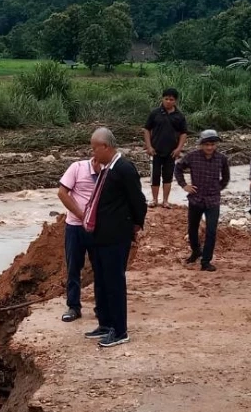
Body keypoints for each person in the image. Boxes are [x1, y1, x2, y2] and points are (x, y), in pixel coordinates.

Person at [83, 127, 147, 348]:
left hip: (116, 235)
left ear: (105, 147)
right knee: (101, 281)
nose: (93, 153)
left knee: (114, 282)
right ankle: (106, 323)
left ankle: (120, 330)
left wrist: (136, 224)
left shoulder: (124, 168)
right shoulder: (106, 169)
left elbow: (138, 200)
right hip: (101, 235)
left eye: (94, 149)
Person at [175, 129, 230, 272]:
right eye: (206, 144)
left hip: (213, 200)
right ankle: (195, 251)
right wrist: (184, 185)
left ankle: (206, 261)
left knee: (211, 231)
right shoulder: (192, 157)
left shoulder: (221, 159)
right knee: (192, 229)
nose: (209, 147)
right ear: (201, 145)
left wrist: (218, 188)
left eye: (212, 144)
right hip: (196, 199)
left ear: (216, 145)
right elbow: (178, 168)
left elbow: (226, 177)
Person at [56, 151, 101, 323]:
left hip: (98, 229)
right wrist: (83, 217)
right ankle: (73, 307)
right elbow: (62, 193)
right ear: (95, 159)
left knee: (101, 268)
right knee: (74, 267)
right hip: (75, 227)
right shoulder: (77, 168)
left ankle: (101, 307)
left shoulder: (107, 172)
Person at [143, 88, 188, 209]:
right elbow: (147, 129)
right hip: (155, 151)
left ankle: (166, 201)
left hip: (171, 152)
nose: (168, 101)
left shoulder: (179, 116)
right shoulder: (155, 113)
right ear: (162, 99)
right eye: (166, 99)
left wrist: (179, 149)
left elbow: (184, 133)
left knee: (168, 177)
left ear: (175, 101)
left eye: (171, 99)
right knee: (155, 176)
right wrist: (149, 146)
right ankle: (154, 200)